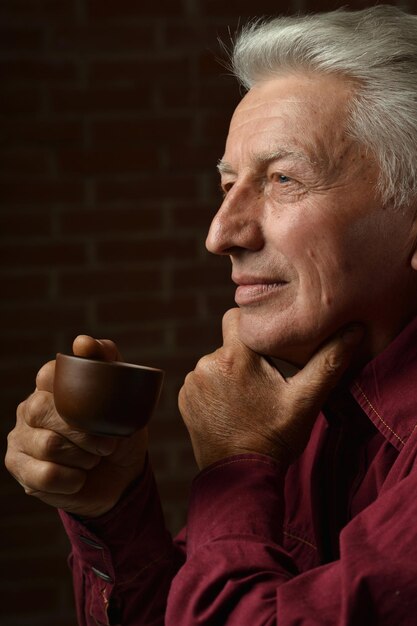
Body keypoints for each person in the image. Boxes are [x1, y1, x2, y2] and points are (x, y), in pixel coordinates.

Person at [5, 4, 417, 624]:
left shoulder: (263, 431)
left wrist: (234, 466)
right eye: (228, 187)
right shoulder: (312, 407)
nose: (221, 234)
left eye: (282, 179)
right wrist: (113, 508)